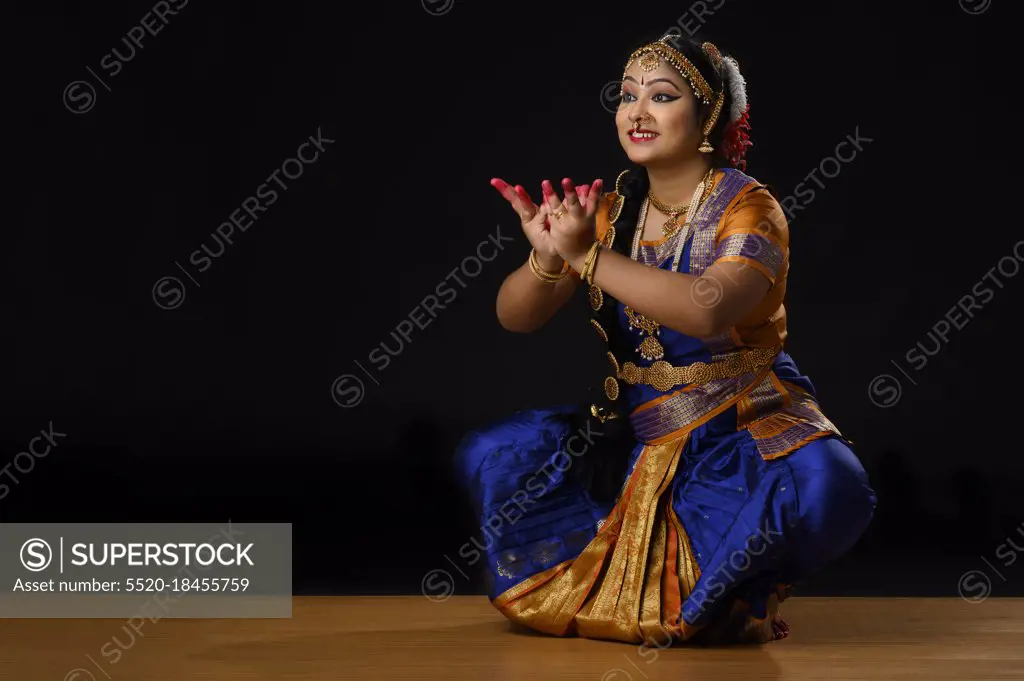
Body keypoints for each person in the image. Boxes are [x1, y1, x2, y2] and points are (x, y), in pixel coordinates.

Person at [454, 32, 876, 646]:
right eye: (627, 97)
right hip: (643, 427)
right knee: (491, 453)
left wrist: (588, 259)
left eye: (662, 95)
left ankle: (743, 589)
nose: (637, 111)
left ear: (708, 115)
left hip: (737, 423)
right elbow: (515, 317)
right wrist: (547, 258)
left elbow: (705, 312)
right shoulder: (611, 211)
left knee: (827, 485)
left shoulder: (750, 210)